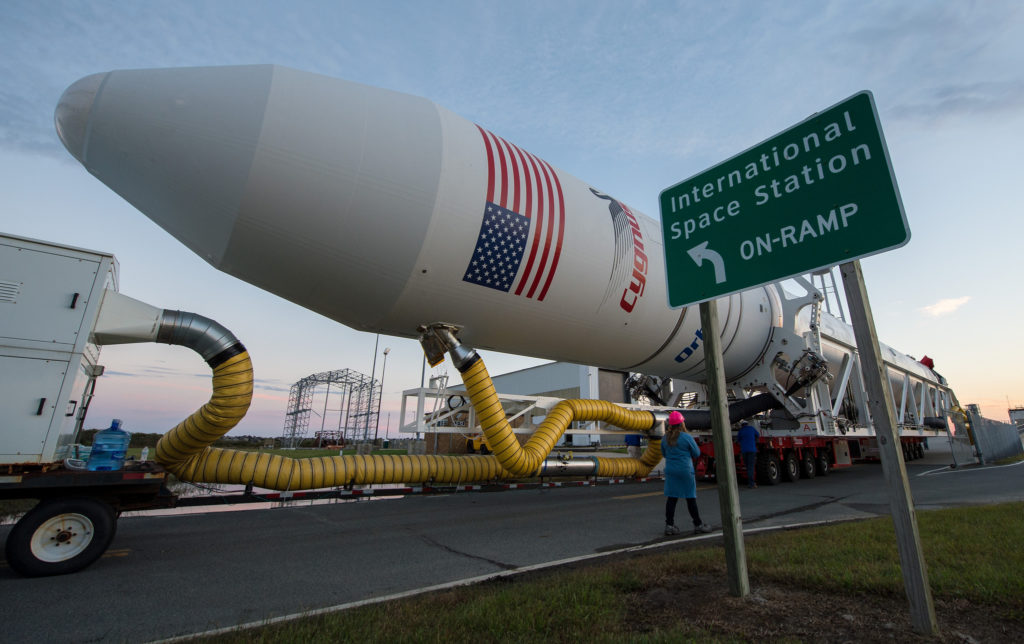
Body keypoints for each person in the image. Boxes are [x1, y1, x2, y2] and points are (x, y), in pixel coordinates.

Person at [661, 411, 713, 535]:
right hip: (685, 470)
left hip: (671, 470)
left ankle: (669, 525)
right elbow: (696, 453)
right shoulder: (686, 437)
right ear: (682, 423)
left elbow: (664, 454)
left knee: (672, 499)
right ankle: (698, 524)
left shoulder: (665, 438)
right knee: (690, 498)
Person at [737, 419, 760, 488]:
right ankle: (752, 483)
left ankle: (750, 482)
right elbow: (758, 435)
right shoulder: (751, 429)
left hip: (744, 451)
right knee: (751, 467)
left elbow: (738, 440)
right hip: (752, 450)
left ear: (742, 425)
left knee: (748, 467)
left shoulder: (741, 431)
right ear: (747, 424)